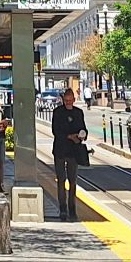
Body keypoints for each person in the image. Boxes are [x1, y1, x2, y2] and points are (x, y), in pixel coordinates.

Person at [51, 87, 89, 221]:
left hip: (74, 151)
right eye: (66, 100)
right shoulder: (57, 112)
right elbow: (55, 131)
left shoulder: (78, 113)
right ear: (63, 100)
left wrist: (82, 135)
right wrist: (69, 136)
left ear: (74, 100)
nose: (68, 103)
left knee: (73, 181)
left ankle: (72, 209)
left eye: (70, 100)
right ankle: (62, 208)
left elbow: (83, 128)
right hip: (61, 150)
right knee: (61, 180)